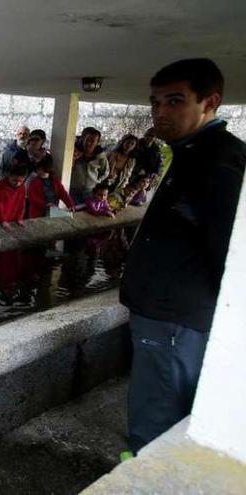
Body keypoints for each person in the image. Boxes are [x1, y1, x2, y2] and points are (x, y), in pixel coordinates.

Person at [120, 58, 245, 455]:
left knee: (157, 419)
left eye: (175, 101)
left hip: (175, 320)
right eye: (155, 102)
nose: (160, 112)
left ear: (211, 102)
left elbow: (230, 255)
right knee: (158, 405)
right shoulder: (190, 153)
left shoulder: (220, 163)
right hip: (166, 316)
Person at [70, 127, 109, 204]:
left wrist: (97, 180)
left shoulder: (100, 157)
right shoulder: (74, 152)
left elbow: (105, 172)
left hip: (90, 191)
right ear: (83, 139)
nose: (88, 143)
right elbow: (66, 169)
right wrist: (74, 159)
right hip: (73, 191)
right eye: (87, 140)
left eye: (92, 141)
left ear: (97, 142)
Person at [0, 164, 28, 229]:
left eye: (20, 181)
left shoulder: (22, 187)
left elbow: (22, 204)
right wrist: (3, 220)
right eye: (14, 180)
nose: (17, 184)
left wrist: (19, 218)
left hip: (12, 220)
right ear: (9, 175)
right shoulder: (1, 186)